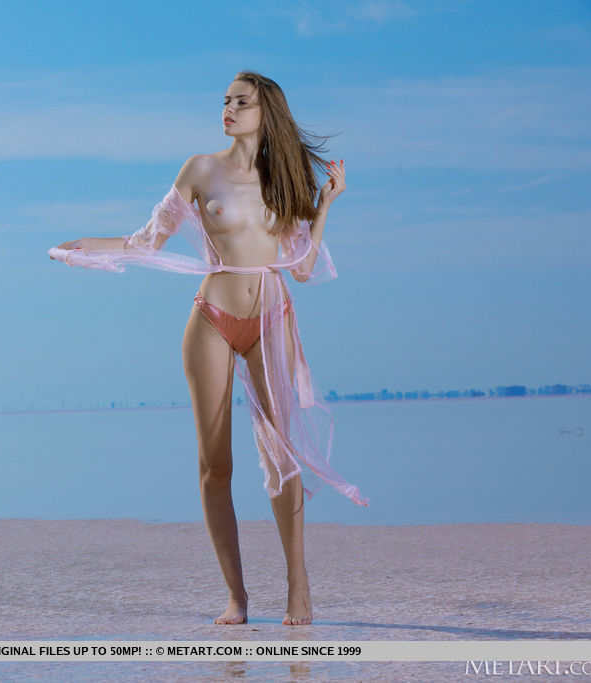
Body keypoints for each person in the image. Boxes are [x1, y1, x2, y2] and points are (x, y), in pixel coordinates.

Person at [49, 71, 367, 627]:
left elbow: (304, 267)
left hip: (271, 318)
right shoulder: (200, 169)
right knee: (215, 466)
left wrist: (324, 206)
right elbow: (147, 241)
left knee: (282, 456)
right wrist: (88, 246)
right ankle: (236, 597)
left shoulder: (284, 179)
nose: (229, 109)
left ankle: (298, 586)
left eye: (242, 102)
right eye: (225, 101)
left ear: (265, 113)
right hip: (212, 320)